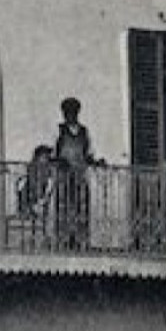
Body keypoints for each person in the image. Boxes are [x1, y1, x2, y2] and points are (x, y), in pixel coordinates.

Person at [52, 96, 99, 249]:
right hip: (64, 177)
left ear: (78, 113)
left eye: (73, 112)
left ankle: (81, 240)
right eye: (67, 112)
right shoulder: (58, 131)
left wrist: (96, 162)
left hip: (79, 176)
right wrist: (60, 161)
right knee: (63, 207)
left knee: (81, 207)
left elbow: (89, 154)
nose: (70, 115)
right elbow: (53, 154)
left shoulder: (85, 132)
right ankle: (62, 239)